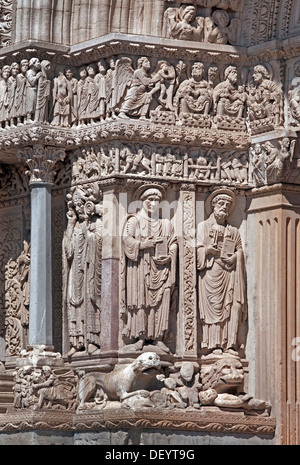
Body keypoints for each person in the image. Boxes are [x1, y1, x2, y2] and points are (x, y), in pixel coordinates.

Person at [121, 187, 177, 353]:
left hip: (161, 268)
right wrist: (142, 245)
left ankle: (159, 337)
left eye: (156, 201)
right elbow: (126, 240)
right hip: (140, 268)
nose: (153, 204)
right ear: (141, 201)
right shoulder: (134, 221)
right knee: (140, 301)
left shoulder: (165, 224)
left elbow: (173, 242)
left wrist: (170, 255)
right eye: (149, 200)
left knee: (162, 300)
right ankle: (140, 337)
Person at [196, 189, 247, 353]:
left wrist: (235, 258)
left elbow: (240, 250)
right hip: (210, 272)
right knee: (213, 307)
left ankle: (230, 343)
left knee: (232, 306)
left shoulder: (234, 231)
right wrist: (207, 250)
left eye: (228, 205)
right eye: (221, 203)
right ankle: (213, 344)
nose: (224, 207)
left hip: (229, 272)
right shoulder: (203, 227)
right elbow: (196, 251)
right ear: (213, 206)